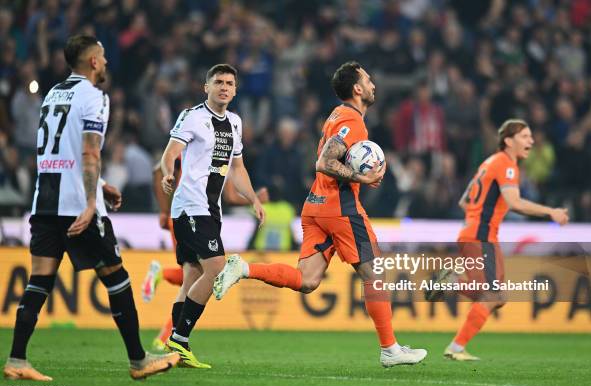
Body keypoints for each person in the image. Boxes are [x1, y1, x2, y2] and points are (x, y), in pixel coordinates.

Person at [214, 61, 428, 368]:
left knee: (307, 279)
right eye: (368, 80)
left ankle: (244, 269)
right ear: (357, 88)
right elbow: (325, 161)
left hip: (315, 204)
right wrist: (363, 178)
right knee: (375, 276)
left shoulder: (337, 115)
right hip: (339, 207)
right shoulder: (352, 120)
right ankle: (390, 348)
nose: (373, 85)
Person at [2, 35, 179, 381]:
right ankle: (139, 361)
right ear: (93, 62)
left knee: (39, 280)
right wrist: (90, 202)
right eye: (102, 56)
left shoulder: (53, 94)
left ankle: (16, 361)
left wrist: (99, 185)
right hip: (75, 205)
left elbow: (58, 153)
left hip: (45, 202)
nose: (107, 62)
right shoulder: (95, 97)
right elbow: (88, 152)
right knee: (117, 277)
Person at [427, 118, 569, 361]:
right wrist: (550, 212)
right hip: (481, 237)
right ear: (508, 140)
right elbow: (514, 203)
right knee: (493, 296)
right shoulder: (507, 164)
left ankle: (449, 287)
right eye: (525, 136)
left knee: (497, 296)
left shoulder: (488, 163)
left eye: (531, 136)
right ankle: (455, 345)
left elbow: (464, 201)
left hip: (476, 234)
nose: (531, 141)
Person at [159, 64, 265, 367]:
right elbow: (169, 154)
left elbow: (238, 168)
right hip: (190, 206)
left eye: (230, 83)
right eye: (218, 82)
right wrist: (169, 173)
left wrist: (253, 198)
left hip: (211, 210)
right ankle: (180, 339)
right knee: (216, 267)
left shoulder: (234, 122)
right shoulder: (192, 116)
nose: (224, 87)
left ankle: (174, 347)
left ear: (235, 89)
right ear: (206, 87)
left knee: (191, 275)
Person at [141, 161, 268, 352]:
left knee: (192, 276)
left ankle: (171, 338)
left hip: (185, 213)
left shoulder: (202, 147)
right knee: (203, 274)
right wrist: (255, 198)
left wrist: (164, 209)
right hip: (196, 215)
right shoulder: (203, 140)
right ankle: (175, 334)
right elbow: (231, 196)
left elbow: (158, 169)